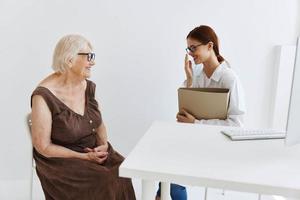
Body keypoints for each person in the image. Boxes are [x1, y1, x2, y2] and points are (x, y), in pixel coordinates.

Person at [30, 34, 136, 200]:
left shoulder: (87, 86)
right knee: (105, 179)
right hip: (60, 159)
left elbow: (98, 122)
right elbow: (43, 146)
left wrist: (103, 145)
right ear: (69, 59)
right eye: (88, 57)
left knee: (123, 168)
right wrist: (83, 157)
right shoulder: (43, 95)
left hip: (90, 149)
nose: (92, 62)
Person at [156, 25, 246, 200]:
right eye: (188, 48)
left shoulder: (229, 78)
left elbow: (237, 124)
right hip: (192, 139)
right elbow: (187, 107)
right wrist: (189, 80)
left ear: (210, 46)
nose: (190, 52)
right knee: (164, 170)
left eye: (193, 47)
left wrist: (196, 124)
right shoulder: (196, 73)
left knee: (171, 179)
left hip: (216, 144)